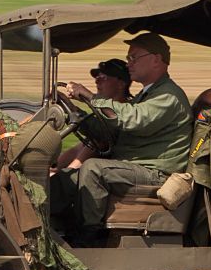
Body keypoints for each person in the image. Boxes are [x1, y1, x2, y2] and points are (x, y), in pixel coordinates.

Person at [50, 34, 192, 247]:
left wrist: (89, 96)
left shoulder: (168, 95)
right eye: (128, 58)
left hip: (155, 173)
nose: (129, 64)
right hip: (133, 169)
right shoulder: (148, 94)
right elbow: (110, 132)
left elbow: (132, 119)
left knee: (93, 169)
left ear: (156, 60)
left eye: (134, 58)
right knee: (68, 177)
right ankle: (39, 223)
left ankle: (86, 242)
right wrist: (71, 110)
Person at [54, 58, 132, 171]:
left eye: (103, 78)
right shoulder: (103, 116)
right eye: (97, 78)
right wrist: (49, 169)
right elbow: (78, 149)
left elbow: (97, 144)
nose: (97, 82)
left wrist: (59, 176)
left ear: (121, 84)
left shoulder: (124, 116)